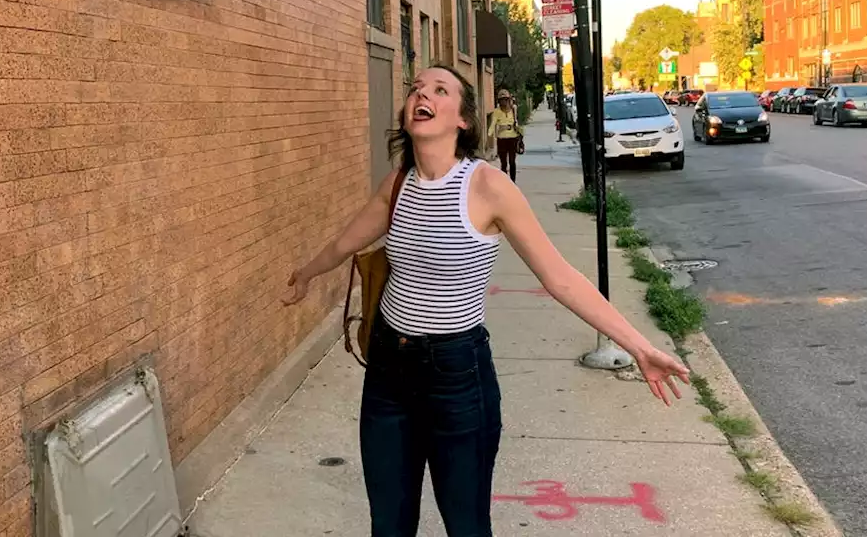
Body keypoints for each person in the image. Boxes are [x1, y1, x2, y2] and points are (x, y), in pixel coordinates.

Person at [287, 67, 690, 537]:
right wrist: (305, 274)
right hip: (387, 373)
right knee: (389, 524)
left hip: (456, 376)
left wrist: (638, 346)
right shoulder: (397, 185)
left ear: (462, 119)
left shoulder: (486, 187)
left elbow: (559, 278)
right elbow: (345, 244)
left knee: (466, 523)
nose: (422, 94)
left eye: (440, 90)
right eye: (416, 88)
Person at [490, 90, 523, 182]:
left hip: (513, 138)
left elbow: (516, 121)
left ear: (508, 100)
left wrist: (519, 131)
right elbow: (492, 124)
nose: (503, 102)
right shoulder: (497, 111)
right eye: (501, 100)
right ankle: (505, 183)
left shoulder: (513, 108)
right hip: (501, 139)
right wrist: (489, 136)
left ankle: (513, 182)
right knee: (503, 163)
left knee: (512, 162)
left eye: (505, 99)